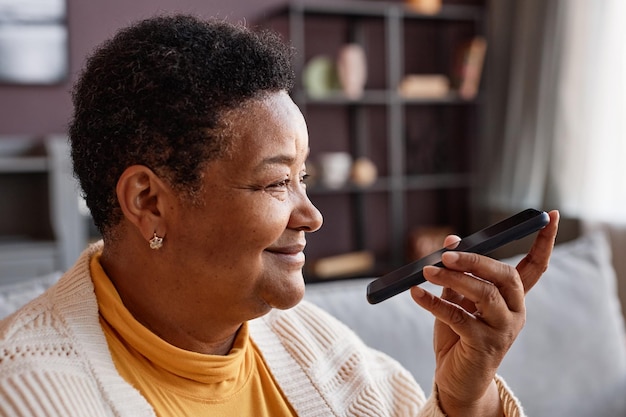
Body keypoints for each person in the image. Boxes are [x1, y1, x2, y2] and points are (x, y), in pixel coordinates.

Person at [0, 14, 559, 417]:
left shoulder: (308, 340)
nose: (312, 216)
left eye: (304, 177)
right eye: (276, 182)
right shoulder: (28, 392)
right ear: (148, 201)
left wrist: (466, 401)